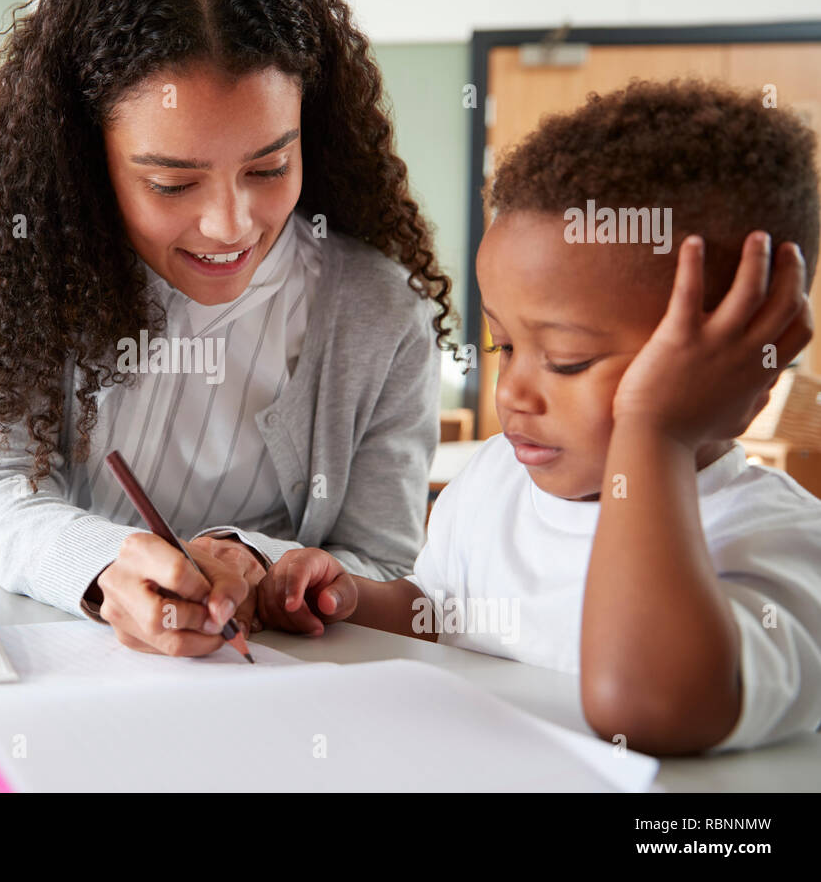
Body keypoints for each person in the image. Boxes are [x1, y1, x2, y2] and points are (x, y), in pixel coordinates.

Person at [0, 0, 455, 655]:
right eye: (172, 182)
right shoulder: (33, 280)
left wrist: (257, 563)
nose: (230, 225)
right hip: (61, 670)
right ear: (88, 161)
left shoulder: (381, 313)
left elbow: (383, 565)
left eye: (268, 169)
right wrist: (104, 567)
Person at [257, 79, 821, 754]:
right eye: (504, 344)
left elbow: (648, 706)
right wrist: (349, 598)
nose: (513, 391)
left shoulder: (779, 543)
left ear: (742, 371)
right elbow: (439, 615)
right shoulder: (498, 479)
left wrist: (657, 435)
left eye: (569, 361)